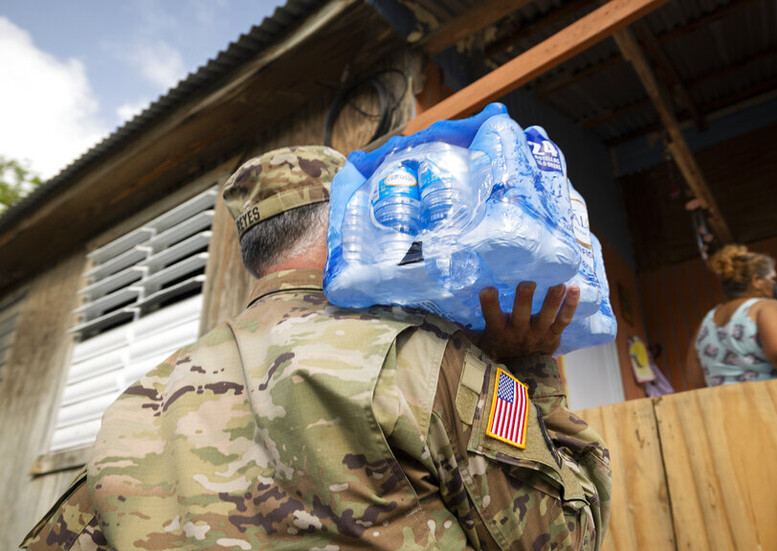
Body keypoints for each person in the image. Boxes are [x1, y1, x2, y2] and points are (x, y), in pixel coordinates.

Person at [22, 145, 612, 550]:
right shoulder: (419, 356)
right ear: (352, 219)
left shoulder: (136, 405)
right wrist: (529, 366)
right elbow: (565, 537)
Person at [685, 244, 777, 388]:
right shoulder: (766, 307)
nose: (774, 283)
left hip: (723, 406)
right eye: (771, 278)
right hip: (770, 401)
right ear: (756, 280)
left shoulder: (705, 322)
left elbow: (695, 379)